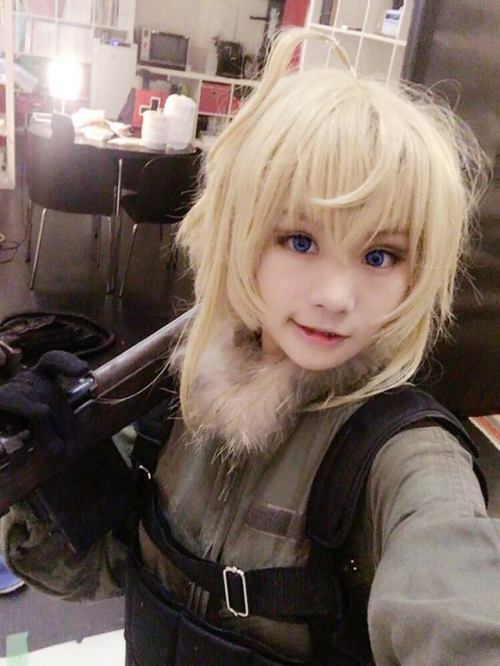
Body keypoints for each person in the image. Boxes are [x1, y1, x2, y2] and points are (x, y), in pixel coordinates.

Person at [0, 27, 498, 666]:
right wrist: (61, 480)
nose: (336, 296)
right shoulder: (179, 394)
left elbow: (460, 602)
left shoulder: (405, 460)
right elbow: (109, 574)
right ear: (242, 231)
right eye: (300, 240)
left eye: (380, 255)